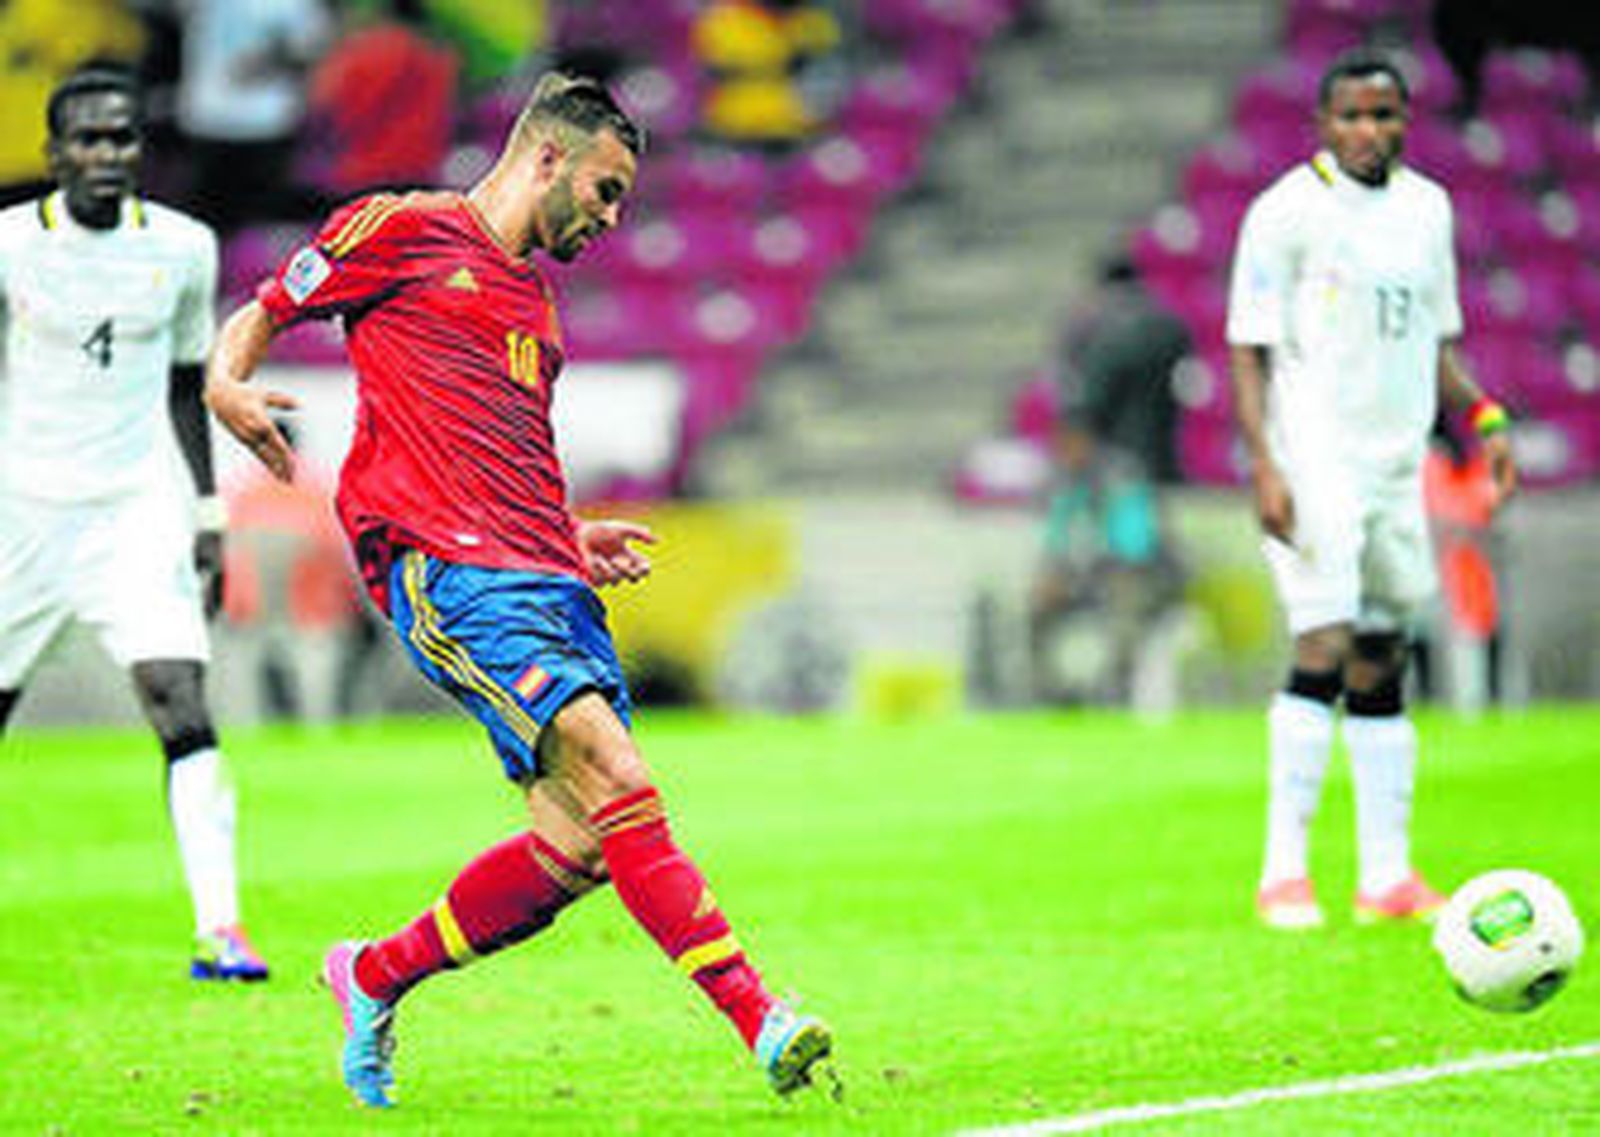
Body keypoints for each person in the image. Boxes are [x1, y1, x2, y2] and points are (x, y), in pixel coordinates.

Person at [203, 72, 834, 1108]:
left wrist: (568, 536)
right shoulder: (399, 230)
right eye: (605, 189)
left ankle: (371, 975)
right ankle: (759, 1018)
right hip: (445, 570)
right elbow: (266, 310)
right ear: (547, 158)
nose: (612, 218)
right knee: (616, 769)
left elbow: (511, 454)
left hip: (542, 573)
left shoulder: (533, 305)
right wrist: (225, 381)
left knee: (579, 845)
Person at [1226, 51, 1517, 930]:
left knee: (1384, 650)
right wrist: (1265, 463)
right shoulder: (1284, 213)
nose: (1369, 131)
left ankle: (1386, 875)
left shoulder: (1429, 209)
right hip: (1315, 456)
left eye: (1385, 116)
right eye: (1352, 116)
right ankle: (1284, 872)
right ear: (1322, 122)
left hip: (1398, 463)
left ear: (1405, 122)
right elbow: (1249, 344)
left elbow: (1434, 340)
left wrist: (1489, 420)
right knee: (1323, 638)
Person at [0, 65, 268, 980]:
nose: (107, 154)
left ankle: (222, 929)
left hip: (131, 512)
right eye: (89, 138)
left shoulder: (183, 248)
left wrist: (204, 512)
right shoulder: (7, 246)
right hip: (21, 512)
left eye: (122, 138)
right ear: (55, 152)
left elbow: (188, 384)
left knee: (181, 702)